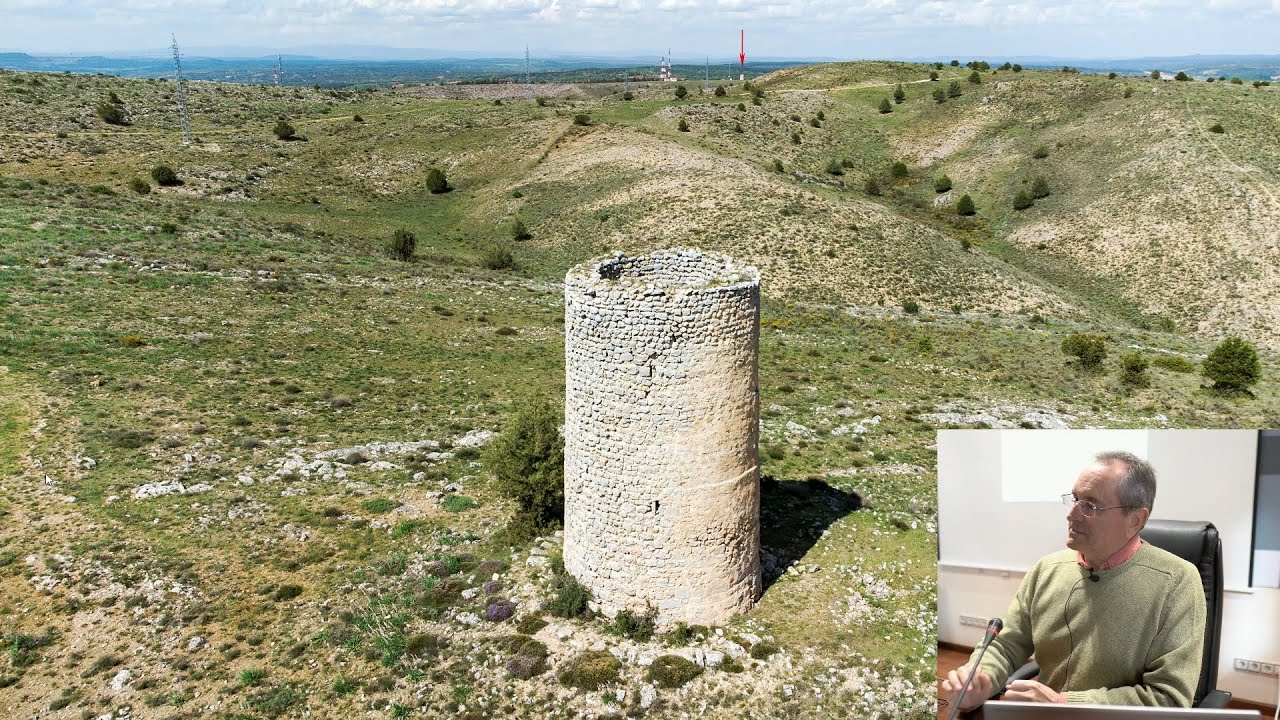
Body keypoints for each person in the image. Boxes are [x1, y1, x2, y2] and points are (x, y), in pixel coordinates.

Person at [942, 450, 1205, 710]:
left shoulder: (1177, 582)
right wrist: (981, 678)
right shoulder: (1047, 569)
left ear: (1135, 519)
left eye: (1090, 505)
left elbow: (1169, 699)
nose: (1072, 514)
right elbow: (1007, 646)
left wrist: (1062, 703)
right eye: (1075, 499)